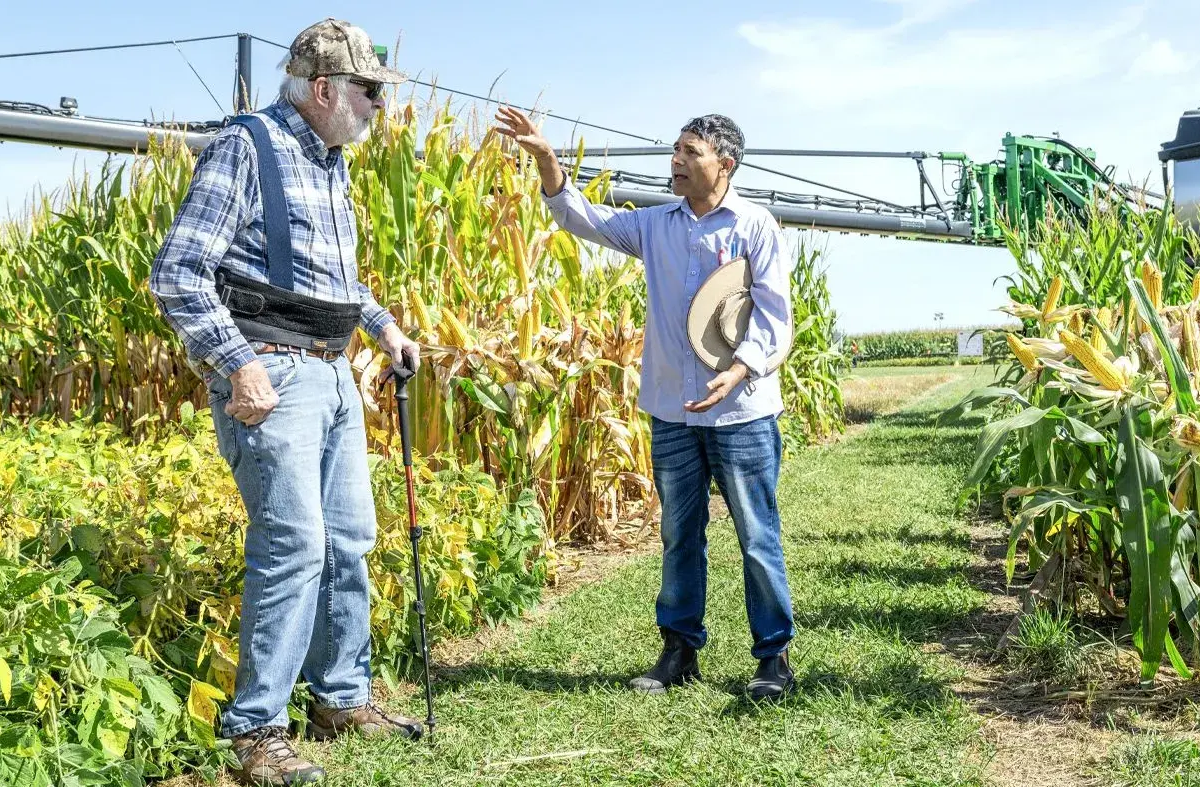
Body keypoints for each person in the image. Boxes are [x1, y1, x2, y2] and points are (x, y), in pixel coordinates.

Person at [151, 18, 423, 786]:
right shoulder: (249, 147)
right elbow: (177, 271)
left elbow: (332, 280)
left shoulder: (330, 162)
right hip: (273, 375)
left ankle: (341, 697)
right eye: (370, 90)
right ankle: (257, 730)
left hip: (334, 374)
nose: (378, 105)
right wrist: (235, 362)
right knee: (294, 544)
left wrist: (384, 326)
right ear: (326, 89)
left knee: (349, 540)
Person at [494, 107, 798, 701]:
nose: (676, 161)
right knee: (680, 534)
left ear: (725, 164)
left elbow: (773, 315)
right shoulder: (657, 225)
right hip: (673, 410)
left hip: (742, 410)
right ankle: (679, 651)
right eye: (676, 151)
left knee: (757, 534)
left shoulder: (756, 226)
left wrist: (740, 369)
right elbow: (586, 219)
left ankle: (773, 659)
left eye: (691, 152)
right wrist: (547, 161)